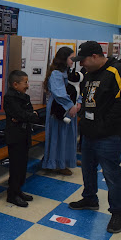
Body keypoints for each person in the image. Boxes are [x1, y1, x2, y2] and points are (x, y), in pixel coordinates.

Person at [67, 41, 121, 233]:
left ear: (95, 56)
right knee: (87, 169)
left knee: (111, 174)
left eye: (84, 60)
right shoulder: (89, 74)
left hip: (108, 135)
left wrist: (104, 126)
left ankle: (117, 213)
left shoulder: (117, 72)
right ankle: (90, 198)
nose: (82, 64)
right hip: (89, 133)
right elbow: (86, 99)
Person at [42, 46, 78, 176]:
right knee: (58, 136)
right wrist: (70, 106)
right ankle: (56, 164)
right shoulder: (56, 74)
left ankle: (67, 159)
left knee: (67, 136)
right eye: (71, 57)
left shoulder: (67, 72)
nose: (73, 60)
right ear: (64, 59)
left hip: (69, 107)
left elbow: (76, 88)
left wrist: (77, 103)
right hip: (59, 109)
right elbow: (59, 93)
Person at [3, 70, 37, 207]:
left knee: (23, 165)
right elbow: (21, 114)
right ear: (15, 84)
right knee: (16, 167)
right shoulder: (9, 98)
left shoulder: (25, 97)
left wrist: (26, 116)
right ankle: (12, 194)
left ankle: (18, 190)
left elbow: (30, 114)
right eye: (25, 83)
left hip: (25, 135)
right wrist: (26, 115)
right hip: (15, 137)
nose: (27, 85)